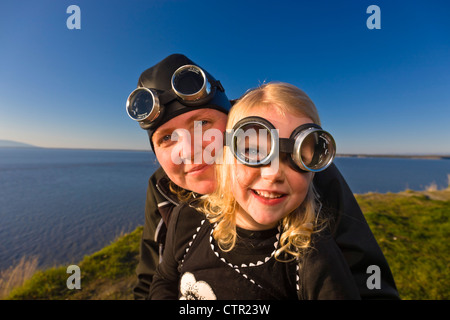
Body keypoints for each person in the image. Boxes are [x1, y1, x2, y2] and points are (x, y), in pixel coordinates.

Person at [129, 54, 399, 299]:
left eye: (202, 124)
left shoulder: (304, 167)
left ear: (233, 123)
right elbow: (155, 277)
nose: (187, 150)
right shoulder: (164, 190)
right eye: (166, 138)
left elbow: (365, 276)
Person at [150, 82, 361, 299]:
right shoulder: (187, 218)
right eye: (252, 151)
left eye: (298, 157)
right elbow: (164, 279)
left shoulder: (314, 260)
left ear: (312, 171)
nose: (273, 173)